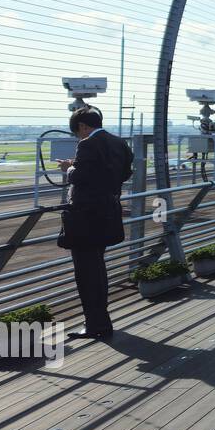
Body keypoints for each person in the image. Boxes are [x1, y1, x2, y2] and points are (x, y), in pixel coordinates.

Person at [56, 108, 134, 340]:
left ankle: (96, 326)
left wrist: (69, 168)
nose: (79, 137)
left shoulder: (88, 144)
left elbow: (80, 177)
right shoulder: (119, 143)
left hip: (85, 220)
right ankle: (100, 322)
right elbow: (124, 173)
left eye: (78, 133)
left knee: (87, 274)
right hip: (108, 214)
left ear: (82, 126)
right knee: (97, 270)